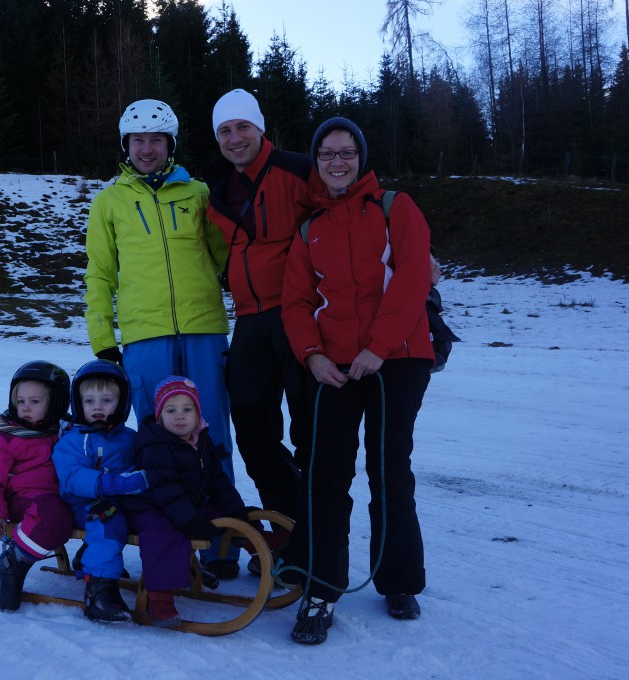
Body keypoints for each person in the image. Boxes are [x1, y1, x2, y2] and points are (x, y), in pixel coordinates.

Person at [280, 117, 435, 645]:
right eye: (327, 153)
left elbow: (414, 278)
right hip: (334, 367)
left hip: (398, 357)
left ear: (360, 158)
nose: (337, 161)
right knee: (325, 472)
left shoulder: (395, 208)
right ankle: (322, 589)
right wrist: (311, 356)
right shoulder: (310, 227)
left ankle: (397, 580)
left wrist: (379, 348)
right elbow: (296, 302)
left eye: (346, 152)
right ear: (317, 161)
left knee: (389, 467)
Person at [82, 98, 239, 576]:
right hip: (144, 337)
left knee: (212, 436)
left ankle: (221, 545)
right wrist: (102, 338)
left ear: (170, 144)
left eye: (156, 140)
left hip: (204, 330)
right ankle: (168, 541)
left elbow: (228, 258)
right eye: (138, 140)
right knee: (154, 442)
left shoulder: (198, 193)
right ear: (126, 146)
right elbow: (99, 274)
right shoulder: (110, 201)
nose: (146, 149)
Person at [205, 88, 315, 566]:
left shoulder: (297, 170)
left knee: (313, 434)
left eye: (242, 127)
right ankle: (288, 531)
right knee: (252, 432)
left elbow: (350, 209)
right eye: (225, 131)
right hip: (249, 322)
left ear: (260, 127)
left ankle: (316, 539)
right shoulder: (216, 190)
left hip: (299, 316)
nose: (235, 138)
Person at [127, 376, 251, 627]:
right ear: (160, 417)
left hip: (188, 504)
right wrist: (191, 521)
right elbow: (166, 491)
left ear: (197, 414)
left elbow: (218, 482)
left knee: (226, 511)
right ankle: (159, 598)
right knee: (165, 534)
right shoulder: (156, 445)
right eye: (171, 411)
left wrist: (238, 512)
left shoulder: (201, 441)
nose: (179, 416)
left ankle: (259, 542)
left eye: (187, 409)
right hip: (153, 507)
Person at [0, 361, 75, 612]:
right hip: (26, 501)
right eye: (21, 402)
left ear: (56, 403)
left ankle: (99, 567)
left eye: (35, 402)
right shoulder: (7, 438)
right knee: (52, 516)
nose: (26, 408)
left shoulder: (64, 432)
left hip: (62, 498)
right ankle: (13, 562)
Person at [52, 359, 145, 623]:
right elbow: (71, 477)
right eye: (90, 401)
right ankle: (99, 590)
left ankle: (172, 567)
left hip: (121, 499)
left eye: (107, 400)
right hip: (82, 503)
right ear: (78, 403)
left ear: (122, 403)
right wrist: (110, 483)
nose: (98, 407)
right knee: (107, 520)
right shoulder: (72, 438)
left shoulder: (129, 437)